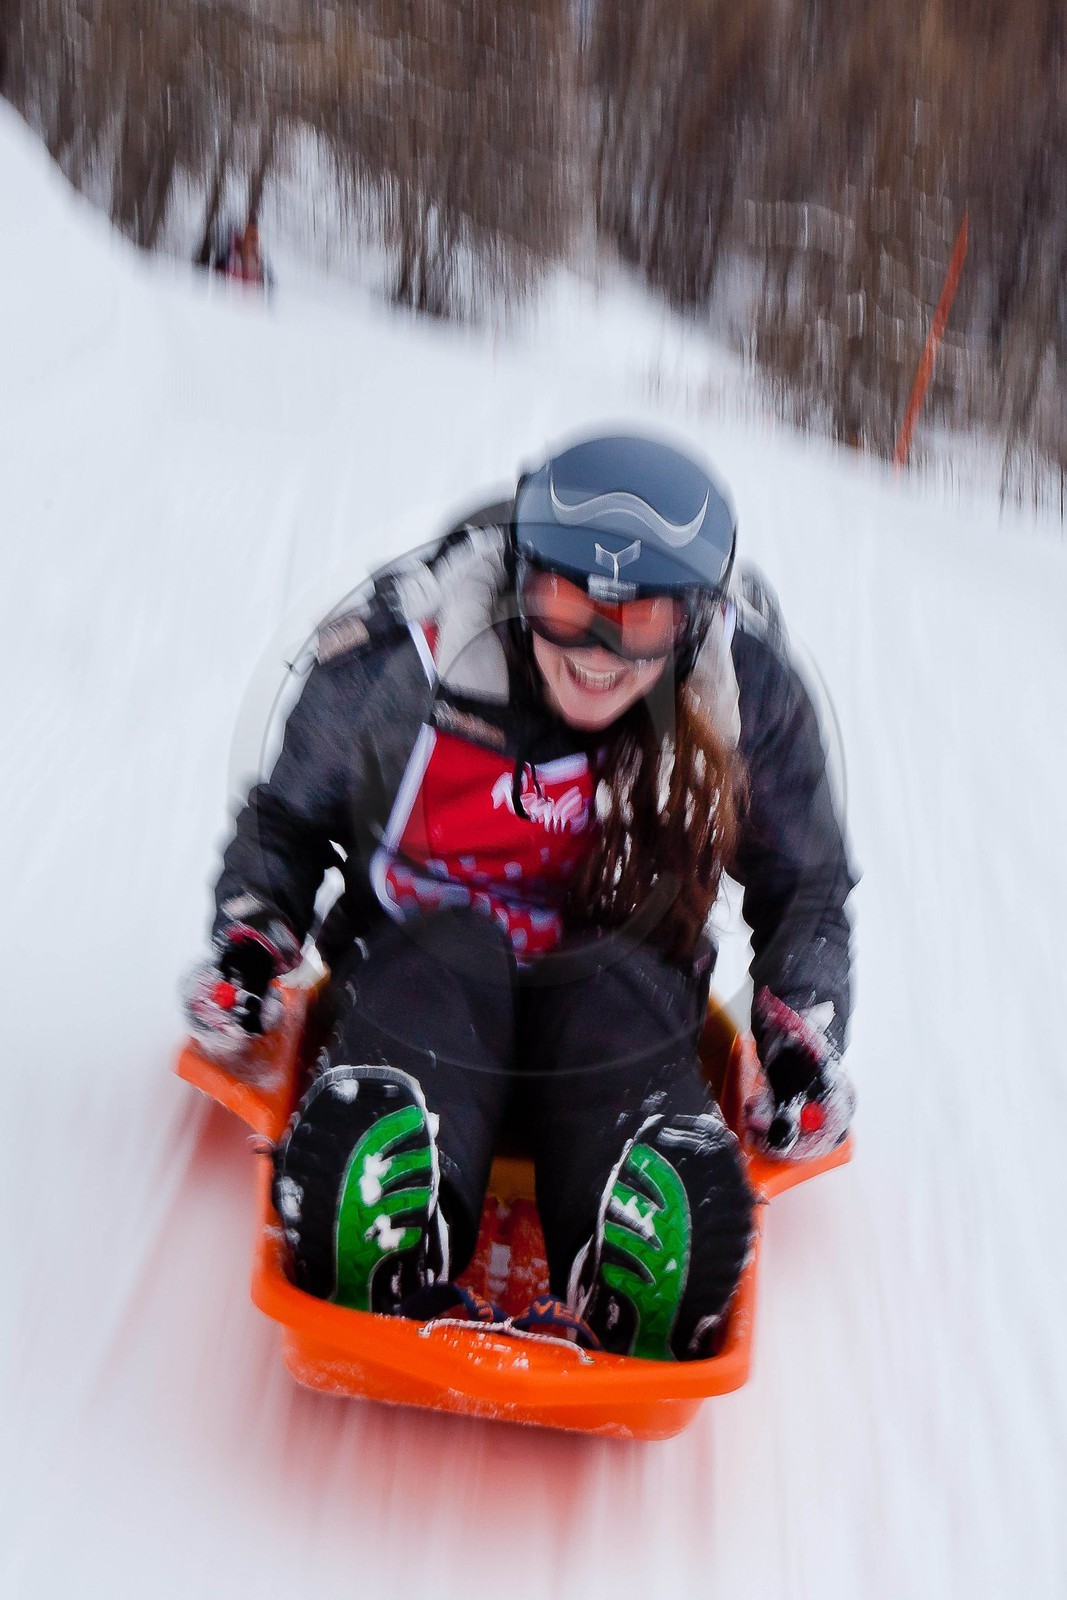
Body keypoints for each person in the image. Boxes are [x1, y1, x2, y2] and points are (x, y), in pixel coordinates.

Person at [184, 433, 856, 1362]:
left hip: (615, 983)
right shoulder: (407, 653)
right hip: (417, 965)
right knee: (441, 959)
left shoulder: (747, 695)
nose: (597, 651)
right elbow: (287, 820)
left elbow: (805, 880)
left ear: (694, 620)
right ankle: (386, 1192)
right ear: (518, 576)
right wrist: (252, 940)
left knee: (617, 989)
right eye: (568, 602)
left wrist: (797, 1031)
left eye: (641, 619)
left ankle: (645, 1215)